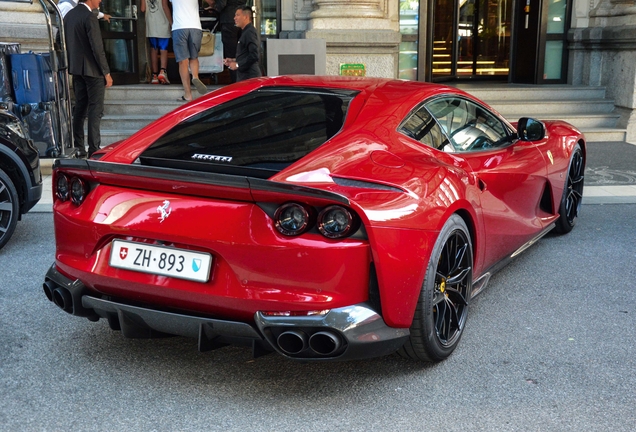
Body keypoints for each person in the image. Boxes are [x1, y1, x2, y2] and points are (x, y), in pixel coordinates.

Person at [64, 0, 112, 158]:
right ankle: (94, 150)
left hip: (77, 70)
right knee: (95, 110)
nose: (100, 0)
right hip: (93, 71)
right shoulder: (89, 17)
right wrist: (106, 73)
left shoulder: (69, 15)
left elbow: (60, 40)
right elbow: (98, 48)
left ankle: (78, 147)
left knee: (80, 109)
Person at [162, 0, 208, 101]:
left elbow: (164, 5)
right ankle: (195, 76)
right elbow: (211, 2)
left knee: (183, 61)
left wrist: (171, 23)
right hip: (195, 27)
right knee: (194, 57)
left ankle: (188, 94)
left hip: (179, 27)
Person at [204, 0, 245, 83]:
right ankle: (244, 82)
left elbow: (222, 4)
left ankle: (236, 83)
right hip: (243, 18)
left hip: (229, 19)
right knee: (242, 52)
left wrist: (213, 6)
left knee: (231, 54)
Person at [223, 6, 261, 82]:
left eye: (237, 15)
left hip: (250, 77)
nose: (234, 18)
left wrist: (237, 64)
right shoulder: (245, 32)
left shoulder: (249, 32)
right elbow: (247, 55)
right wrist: (233, 60)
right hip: (245, 77)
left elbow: (254, 55)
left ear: (246, 17)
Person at [140, 0, 172, 84]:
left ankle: (154, 76)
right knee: (163, 49)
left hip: (151, 24)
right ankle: (162, 72)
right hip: (163, 22)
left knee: (153, 49)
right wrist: (171, 22)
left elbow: (142, 9)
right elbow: (165, 6)